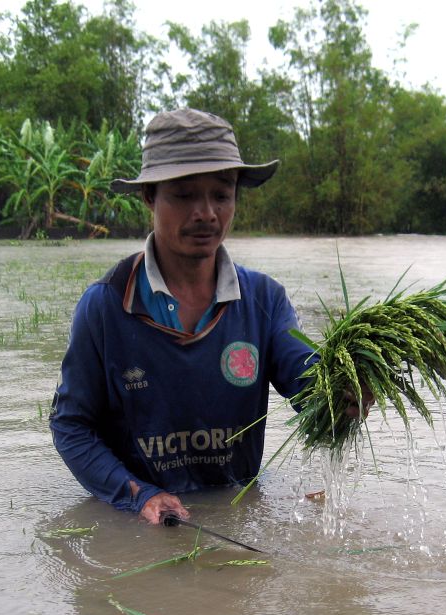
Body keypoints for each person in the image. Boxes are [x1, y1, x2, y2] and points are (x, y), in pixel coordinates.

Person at [50, 108, 318, 525]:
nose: (206, 213)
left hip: (235, 509)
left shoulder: (264, 301)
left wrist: (344, 395)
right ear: (149, 196)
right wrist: (138, 495)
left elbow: (312, 392)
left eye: (221, 195)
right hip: (146, 521)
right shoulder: (105, 306)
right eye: (184, 195)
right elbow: (71, 426)